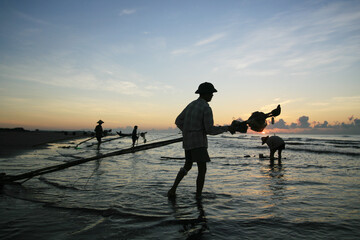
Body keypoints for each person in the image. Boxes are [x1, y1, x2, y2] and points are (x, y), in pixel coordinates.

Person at [167, 82, 235, 199]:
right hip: (198, 143)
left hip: (187, 142)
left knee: (187, 166)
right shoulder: (206, 108)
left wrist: (187, 131)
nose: (212, 95)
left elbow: (178, 121)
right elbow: (209, 130)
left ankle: (173, 190)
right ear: (206, 93)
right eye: (211, 93)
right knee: (202, 170)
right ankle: (198, 196)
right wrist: (227, 128)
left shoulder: (191, 105)